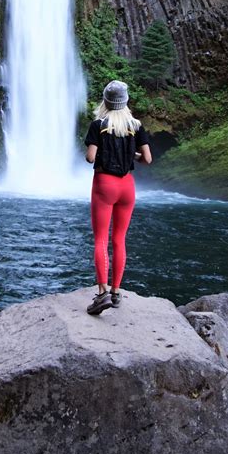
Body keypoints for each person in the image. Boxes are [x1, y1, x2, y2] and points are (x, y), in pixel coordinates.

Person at [84, 79, 152, 315]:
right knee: (120, 239)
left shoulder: (98, 124)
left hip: (105, 184)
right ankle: (116, 291)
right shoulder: (136, 125)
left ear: (105, 101)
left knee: (101, 239)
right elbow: (147, 159)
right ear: (126, 102)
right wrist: (128, 154)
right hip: (127, 186)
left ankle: (101, 294)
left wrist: (103, 149)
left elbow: (91, 158)